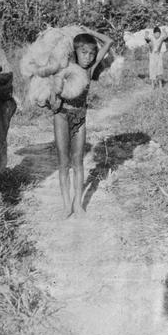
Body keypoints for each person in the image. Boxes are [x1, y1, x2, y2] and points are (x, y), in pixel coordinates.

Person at [51, 31, 113, 218]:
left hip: (80, 118)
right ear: (75, 52)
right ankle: (65, 206)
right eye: (84, 53)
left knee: (78, 162)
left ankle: (78, 204)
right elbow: (53, 99)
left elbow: (109, 41)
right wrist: (55, 98)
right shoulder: (65, 69)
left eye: (92, 54)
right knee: (63, 163)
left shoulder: (90, 70)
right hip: (61, 117)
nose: (88, 57)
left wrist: (87, 29)